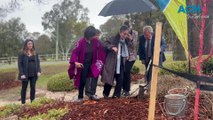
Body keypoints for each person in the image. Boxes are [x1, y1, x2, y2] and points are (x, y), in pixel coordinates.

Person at [68, 26, 106, 102]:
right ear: (88, 35)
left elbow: (103, 46)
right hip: (83, 64)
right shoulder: (80, 42)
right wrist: (75, 62)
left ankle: (92, 94)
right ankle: (80, 97)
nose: (94, 37)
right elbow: (75, 52)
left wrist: (111, 47)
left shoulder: (95, 41)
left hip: (93, 62)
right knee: (83, 80)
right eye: (93, 35)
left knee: (95, 76)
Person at [102, 25, 130, 98]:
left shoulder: (126, 41)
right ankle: (106, 94)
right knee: (110, 78)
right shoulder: (113, 38)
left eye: (127, 34)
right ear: (120, 32)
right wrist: (112, 47)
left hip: (121, 62)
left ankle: (116, 95)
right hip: (112, 62)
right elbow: (105, 44)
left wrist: (127, 54)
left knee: (120, 79)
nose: (125, 36)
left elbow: (129, 49)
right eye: (124, 34)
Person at [138, 26, 166, 90]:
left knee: (151, 72)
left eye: (146, 35)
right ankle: (148, 85)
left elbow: (164, 44)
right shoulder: (142, 38)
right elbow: (140, 49)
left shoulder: (157, 36)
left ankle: (150, 87)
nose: (145, 36)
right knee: (147, 71)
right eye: (144, 34)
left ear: (150, 33)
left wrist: (160, 48)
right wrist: (142, 58)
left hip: (155, 58)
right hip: (146, 58)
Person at [18, 39, 41, 104]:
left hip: (34, 74)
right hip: (25, 74)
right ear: (26, 44)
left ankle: (32, 101)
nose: (30, 45)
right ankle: (23, 103)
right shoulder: (21, 53)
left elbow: (38, 62)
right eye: (29, 44)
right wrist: (21, 73)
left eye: (31, 43)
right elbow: (20, 64)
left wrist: (39, 71)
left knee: (33, 87)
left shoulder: (35, 52)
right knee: (24, 88)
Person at [84, 29, 102, 98]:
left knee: (95, 77)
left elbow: (104, 47)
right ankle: (87, 93)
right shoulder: (87, 42)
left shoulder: (99, 42)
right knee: (88, 78)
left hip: (96, 63)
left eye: (99, 35)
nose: (98, 37)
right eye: (97, 35)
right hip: (88, 63)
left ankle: (92, 93)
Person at [122, 20, 138, 97]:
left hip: (132, 56)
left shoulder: (135, 33)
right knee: (123, 72)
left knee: (127, 71)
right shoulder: (123, 32)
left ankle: (127, 90)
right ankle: (123, 88)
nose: (127, 30)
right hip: (124, 56)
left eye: (128, 28)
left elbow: (134, 46)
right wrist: (124, 37)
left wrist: (131, 39)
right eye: (126, 28)